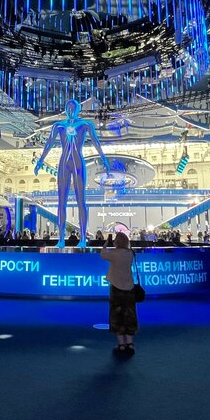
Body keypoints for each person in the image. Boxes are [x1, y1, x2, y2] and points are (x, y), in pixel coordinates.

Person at [34, 99, 111, 248]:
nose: (70, 110)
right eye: (67, 107)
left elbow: (95, 141)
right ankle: (61, 239)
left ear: (77, 110)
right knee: (61, 201)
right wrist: (40, 161)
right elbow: (49, 143)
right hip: (64, 163)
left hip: (78, 163)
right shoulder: (59, 125)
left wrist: (104, 159)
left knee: (81, 200)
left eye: (72, 108)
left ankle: (83, 239)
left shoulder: (85, 124)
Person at [99, 232, 138, 358]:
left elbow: (102, 254)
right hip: (129, 287)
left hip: (116, 288)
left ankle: (121, 344)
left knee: (117, 315)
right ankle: (130, 343)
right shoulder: (130, 253)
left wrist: (106, 243)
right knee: (130, 314)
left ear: (117, 241)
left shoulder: (114, 254)